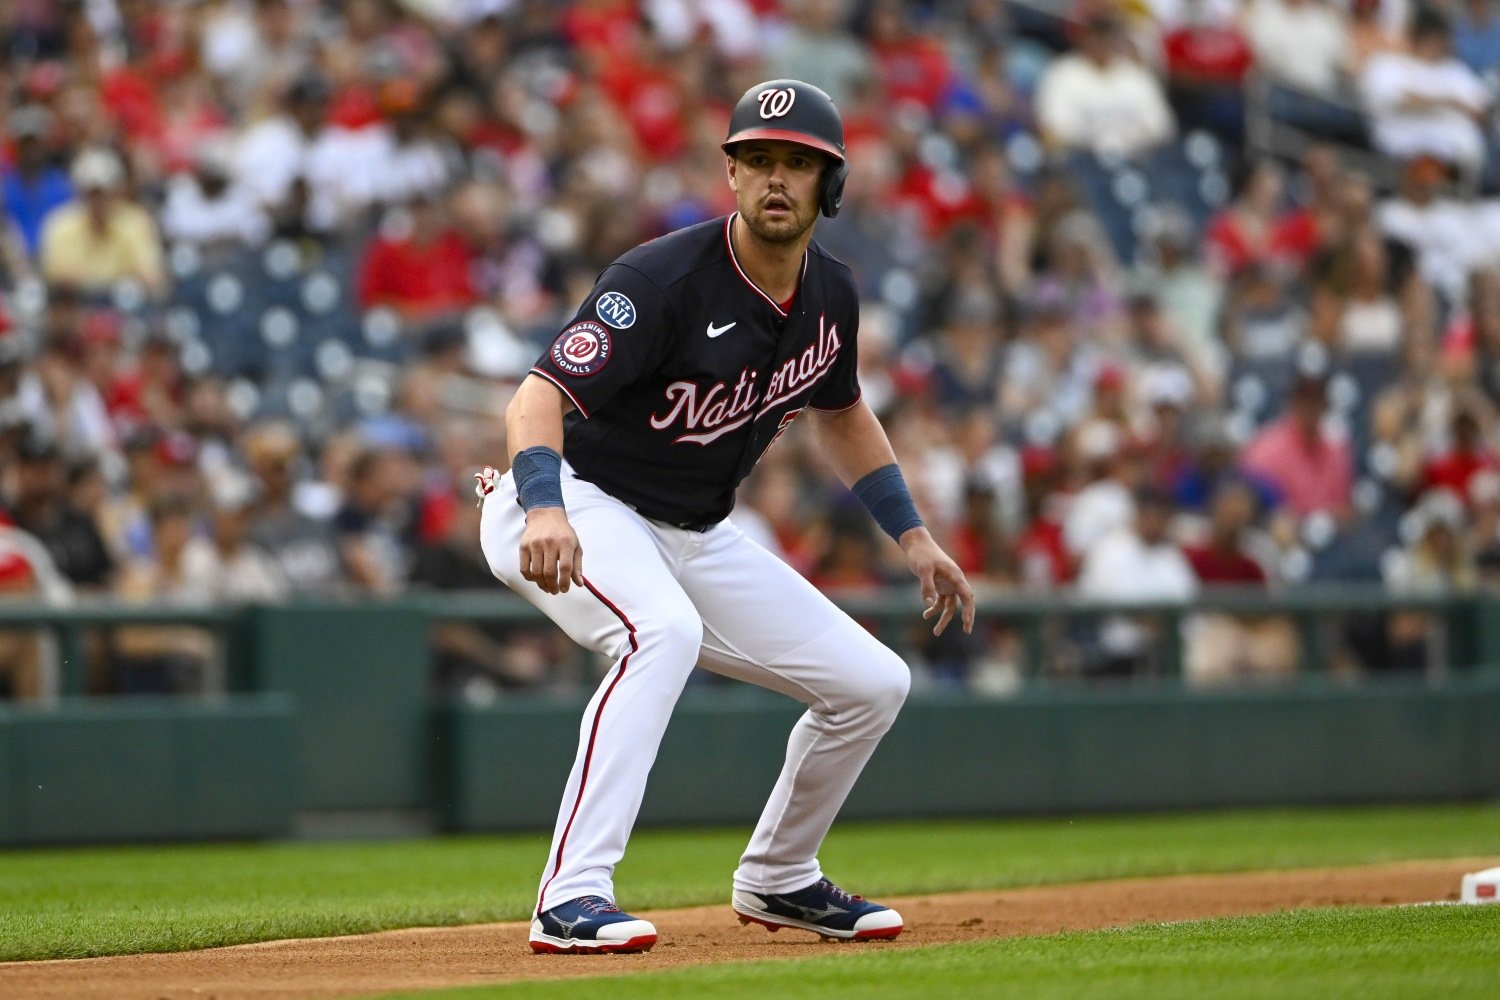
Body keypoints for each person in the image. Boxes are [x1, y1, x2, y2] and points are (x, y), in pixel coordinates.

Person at [477, 80, 973, 955]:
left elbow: (842, 411)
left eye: (798, 164)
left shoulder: (832, 294)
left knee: (872, 683)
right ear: (732, 176)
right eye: (758, 161)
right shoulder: (659, 279)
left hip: (688, 529)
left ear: (832, 185)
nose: (776, 180)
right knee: (658, 633)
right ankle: (571, 895)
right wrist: (546, 508)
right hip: (570, 499)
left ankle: (781, 876)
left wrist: (914, 533)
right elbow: (536, 397)